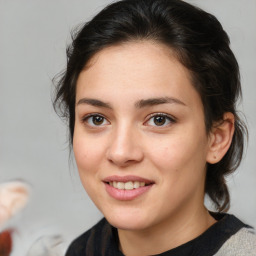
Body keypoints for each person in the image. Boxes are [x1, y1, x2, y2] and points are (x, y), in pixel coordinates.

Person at [53, 0, 256, 255]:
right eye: (97, 119)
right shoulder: (83, 249)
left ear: (216, 138)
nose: (120, 152)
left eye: (159, 119)